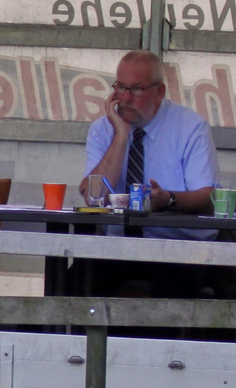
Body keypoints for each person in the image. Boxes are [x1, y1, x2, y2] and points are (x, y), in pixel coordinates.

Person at [77, 50, 217, 298]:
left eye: (137, 89)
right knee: (72, 283)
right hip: (119, 249)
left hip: (179, 248)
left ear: (159, 92)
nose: (126, 98)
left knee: (163, 296)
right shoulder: (102, 129)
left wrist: (168, 200)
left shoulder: (190, 127)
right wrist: (121, 135)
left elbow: (208, 197)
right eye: (121, 88)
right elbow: (93, 196)